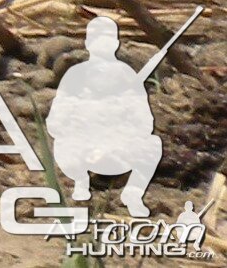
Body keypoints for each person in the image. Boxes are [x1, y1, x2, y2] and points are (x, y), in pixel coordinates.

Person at [47, 13, 163, 214]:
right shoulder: (75, 75)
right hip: (83, 148)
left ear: (116, 43)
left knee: (153, 145)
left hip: (117, 148)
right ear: (88, 42)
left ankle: (133, 194)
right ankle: (81, 186)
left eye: (109, 38)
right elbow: (56, 121)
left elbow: (145, 122)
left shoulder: (127, 75)